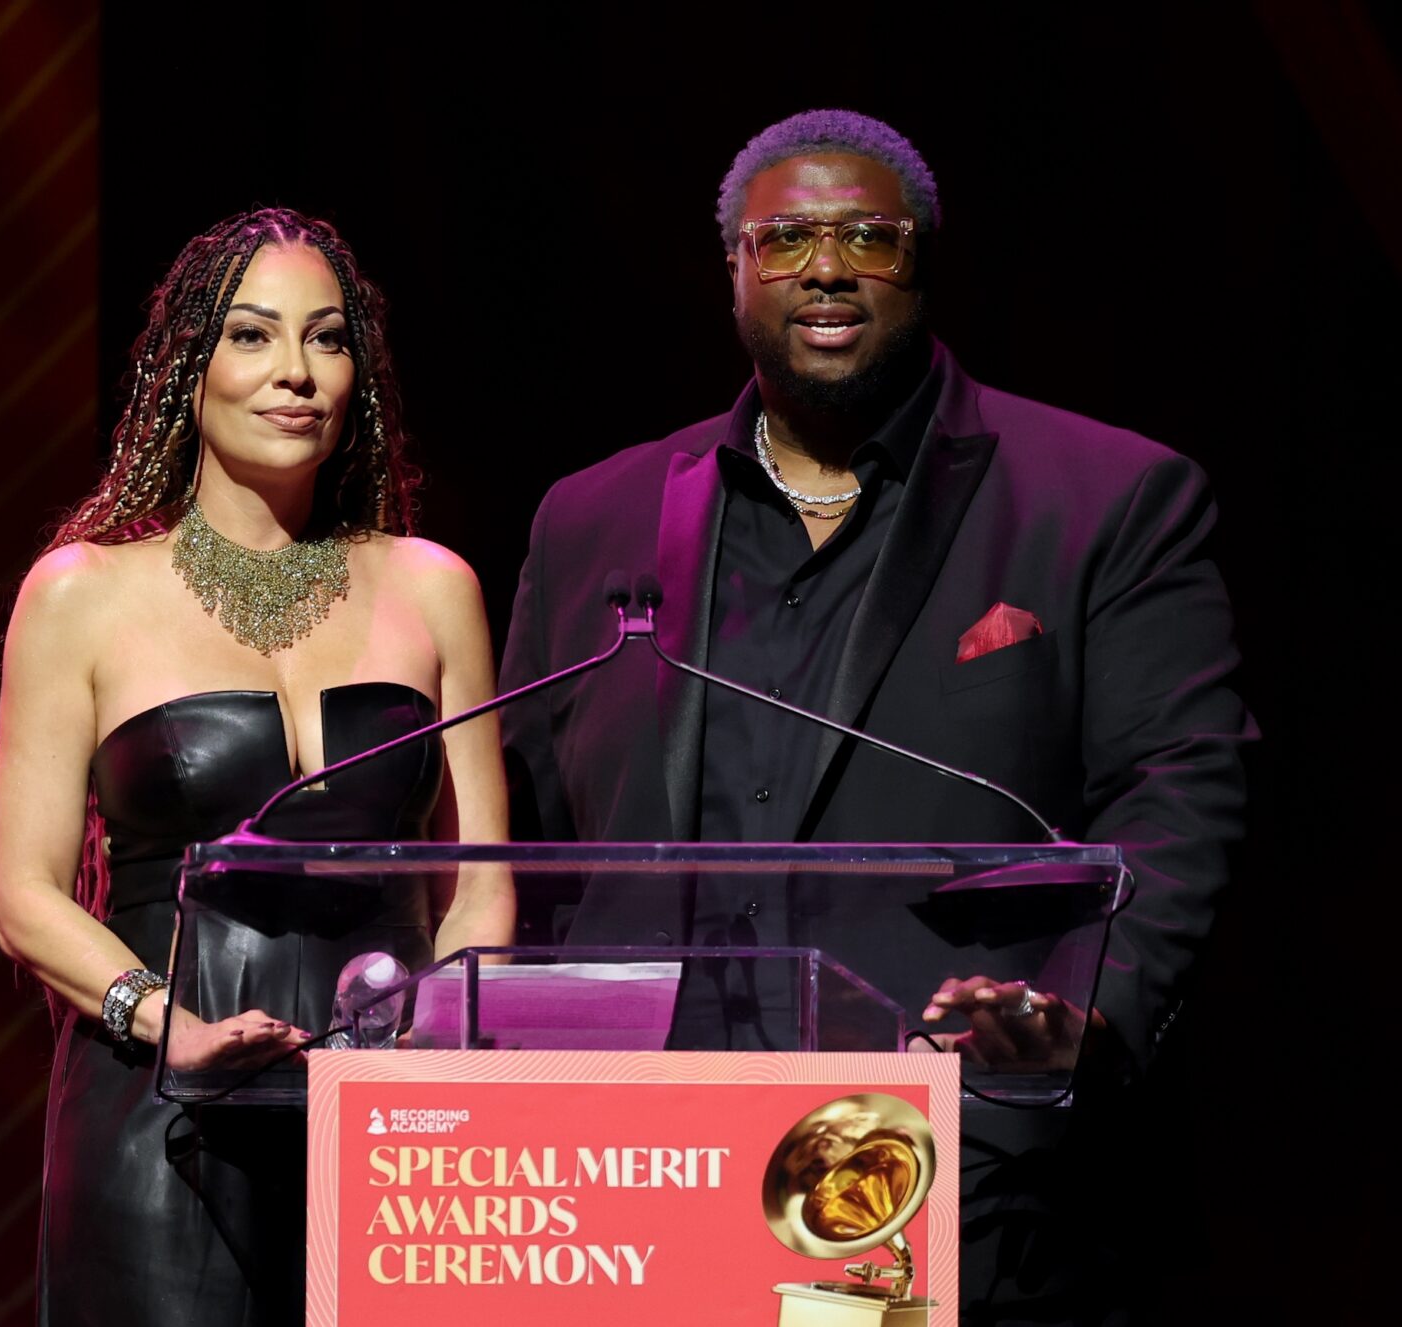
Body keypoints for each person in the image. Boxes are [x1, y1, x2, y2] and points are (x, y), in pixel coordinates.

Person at [498, 111, 1254, 1318]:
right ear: (734, 269)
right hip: (638, 1186)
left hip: (968, 1177)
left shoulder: (1104, 499)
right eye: (785, 238)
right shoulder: (592, 517)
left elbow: (1181, 789)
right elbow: (518, 826)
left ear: (924, 261)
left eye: (869, 238)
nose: (828, 267)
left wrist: (1073, 1023)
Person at [0, 207, 512, 1324]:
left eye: (327, 340)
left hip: (390, 1104)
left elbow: (479, 883)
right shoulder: (80, 593)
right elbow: (23, 896)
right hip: (157, 1106)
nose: (296, 374)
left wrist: (438, 1051)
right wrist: (167, 1022)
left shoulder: (432, 587)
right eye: (252, 335)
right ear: (190, 368)